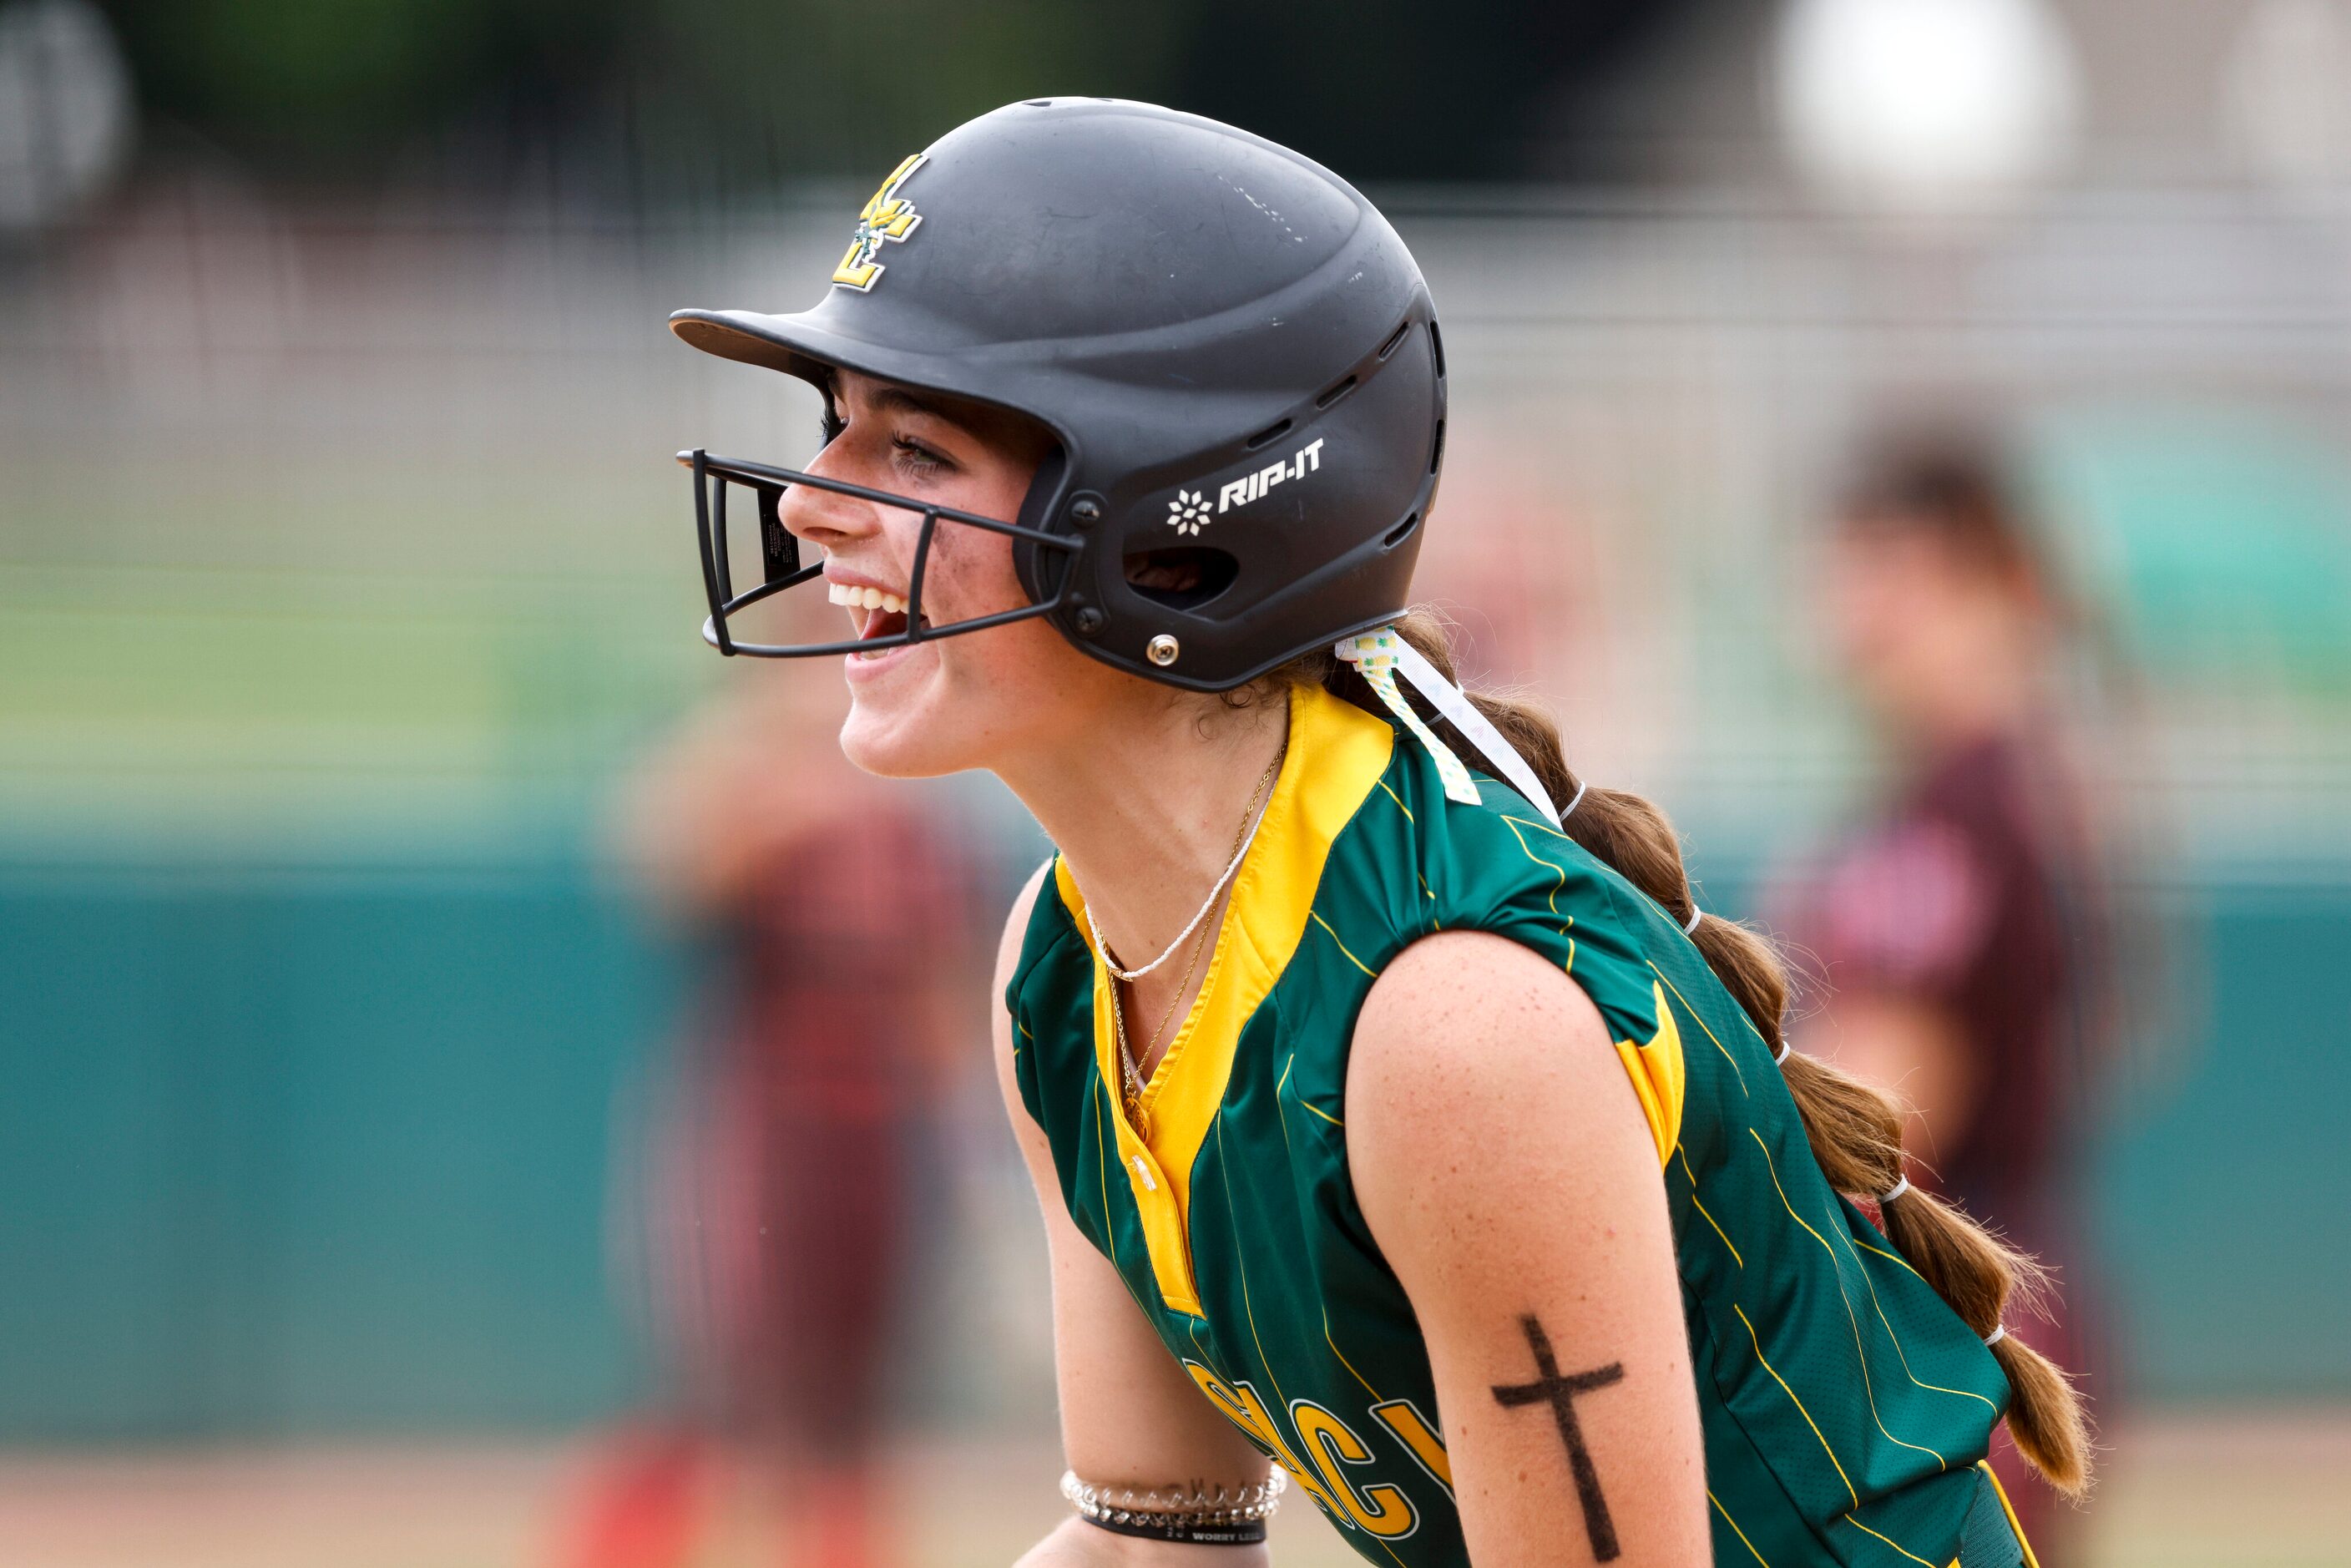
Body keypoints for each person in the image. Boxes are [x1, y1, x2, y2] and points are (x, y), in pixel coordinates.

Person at [662, 99, 2090, 1568]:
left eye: (911, 450)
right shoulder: (1066, 961)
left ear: (1169, 524)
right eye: (835, 428)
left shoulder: (1448, 1030)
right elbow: (1159, 1542)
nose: (813, 509)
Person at [550, 670, 981, 1568]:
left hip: (876, 1135)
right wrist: (776, 761)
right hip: (754, 1124)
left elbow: (942, 986)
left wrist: (972, 1142)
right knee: (720, 1385)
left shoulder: (911, 811)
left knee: (848, 1404)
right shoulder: (754, 781)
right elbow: (660, 868)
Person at [1782, 436, 2116, 1563]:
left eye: (1878, 563)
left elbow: (1883, 1115)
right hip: (2003, 1311)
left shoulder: (1957, 805)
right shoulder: (2017, 786)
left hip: (1951, 1338)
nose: (1844, 602)